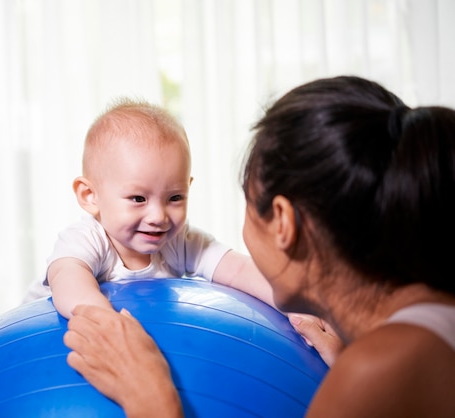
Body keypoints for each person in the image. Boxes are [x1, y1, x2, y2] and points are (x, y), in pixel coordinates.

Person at [63, 76, 455, 417]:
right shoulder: (424, 328)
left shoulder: (378, 369)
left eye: (247, 203)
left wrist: (151, 398)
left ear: (282, 222)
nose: (160, 216)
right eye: (138, 199)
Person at [23, 97, 275, 319]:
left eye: (175, 197)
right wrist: (105, 321)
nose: (158, 217)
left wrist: (290, 303)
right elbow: (69, 281)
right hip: (38, 344)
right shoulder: (85, 239)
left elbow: (238, 269)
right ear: (90, 196)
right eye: (138, 199)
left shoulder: (179, 241)